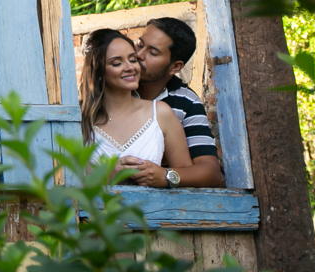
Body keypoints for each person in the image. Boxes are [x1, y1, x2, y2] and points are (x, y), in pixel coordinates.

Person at [118, 17, 225, 188]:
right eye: (139, 44)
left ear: (175, 67)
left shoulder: (186, 102)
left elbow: (212, 174)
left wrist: (166, 175)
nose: (139, 55)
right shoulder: (113, 89)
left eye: (153, 53)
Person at [80, 28, 193, 186]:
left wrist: (165, 176)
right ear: (97, 71)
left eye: (133, 60)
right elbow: (60, 181)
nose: (130, 67)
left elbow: (188, 177)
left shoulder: (160, 113)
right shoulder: (78, 118)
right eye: (117, 63)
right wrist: (105, 175)